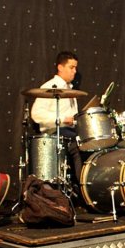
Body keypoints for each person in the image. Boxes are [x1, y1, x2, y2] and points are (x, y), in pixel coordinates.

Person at [30, 51, 83, 184]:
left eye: (75, 68)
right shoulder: (49, 87)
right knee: (79, 144)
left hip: (69, 131)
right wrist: (63, 119)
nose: (75, 71)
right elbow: (36, 114)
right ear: (60, 67)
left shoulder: (70, 89)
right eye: (71, 67)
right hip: (55, 133)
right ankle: (82, 184)